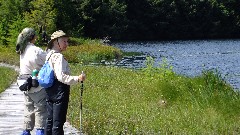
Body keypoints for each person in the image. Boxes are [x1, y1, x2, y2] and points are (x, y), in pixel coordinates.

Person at [44, 30, 86, 134]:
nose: (67, 44)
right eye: (64, 41)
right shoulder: (58, 56)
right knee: (58, 122)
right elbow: (61, 76)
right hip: (60, 91)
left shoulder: (49, 54)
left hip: (50, 90)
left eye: (67, 41)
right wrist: (78, 78)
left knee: (50, 121)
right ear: (55, 42)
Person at [16, 28, 47, 135]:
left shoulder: (21, 50)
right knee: (40, 109)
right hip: (37, 84)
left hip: (25, 84)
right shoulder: (37, 50)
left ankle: (26, 131)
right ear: (33, 37)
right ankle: (40, 131)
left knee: (28, 108)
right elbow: (47, 61)